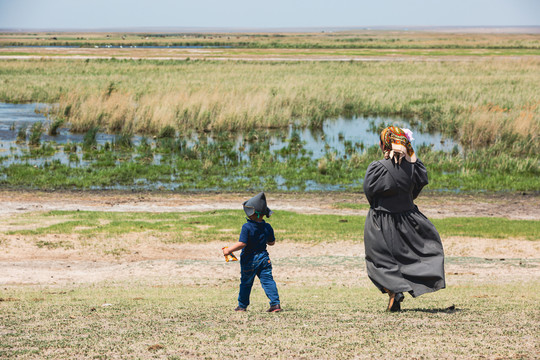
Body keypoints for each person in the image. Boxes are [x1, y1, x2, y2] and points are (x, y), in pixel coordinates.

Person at [363, 126, 445, 312]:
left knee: (378, 261)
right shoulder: (415, 168)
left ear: (384, 144)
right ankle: (398, 290)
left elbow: (369, 192)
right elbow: (417, 189)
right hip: (409, 218)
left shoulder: (377, 168)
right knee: (408, 258)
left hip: (380, 219)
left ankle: (394, 291)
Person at [223, 192, 282, 312]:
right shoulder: (268, 227)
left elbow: (242, 243)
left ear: (252, 213)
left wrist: (228, 250)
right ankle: (275, 304)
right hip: (264, 258)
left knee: (246, 282)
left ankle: (242, 306)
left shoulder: (247, 227)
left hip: (249, 259)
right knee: (268, 280)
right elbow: (271, 243)